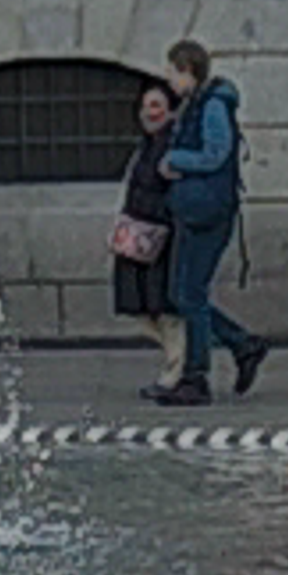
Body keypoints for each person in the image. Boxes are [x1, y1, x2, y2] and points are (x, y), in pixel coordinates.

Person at [157, 41, 262, 402]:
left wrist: (176, 159)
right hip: (194, 209)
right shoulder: (197, 102)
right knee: (181, 295)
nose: (169, 80)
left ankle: (196, 376)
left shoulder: (213, 104)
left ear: (188, 70)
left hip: (209, 211)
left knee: (191, 296)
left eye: (172, 72)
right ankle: (242, 345)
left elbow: (216, 152)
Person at [112, 76, 180, 386]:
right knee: (140, 307)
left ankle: (175, 368)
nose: (150, 112)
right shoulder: (146, 145)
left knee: (163, 308)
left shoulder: (171, 144)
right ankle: (176, 360)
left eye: (156, 105)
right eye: (145, 106)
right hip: (137, 234)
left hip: (158, 235)